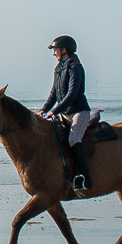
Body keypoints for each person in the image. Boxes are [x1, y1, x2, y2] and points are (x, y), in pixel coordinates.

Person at [40, 34, 92, 192]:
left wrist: (54, 111)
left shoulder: (75, 67)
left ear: (64, 50)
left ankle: (85, 178)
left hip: (79, 111)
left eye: (55, 49)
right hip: (65, 113)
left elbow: (72, 95)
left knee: (73, 139)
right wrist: (43, 110)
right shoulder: (59, 68)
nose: (53, 53)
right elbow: (53, 94)